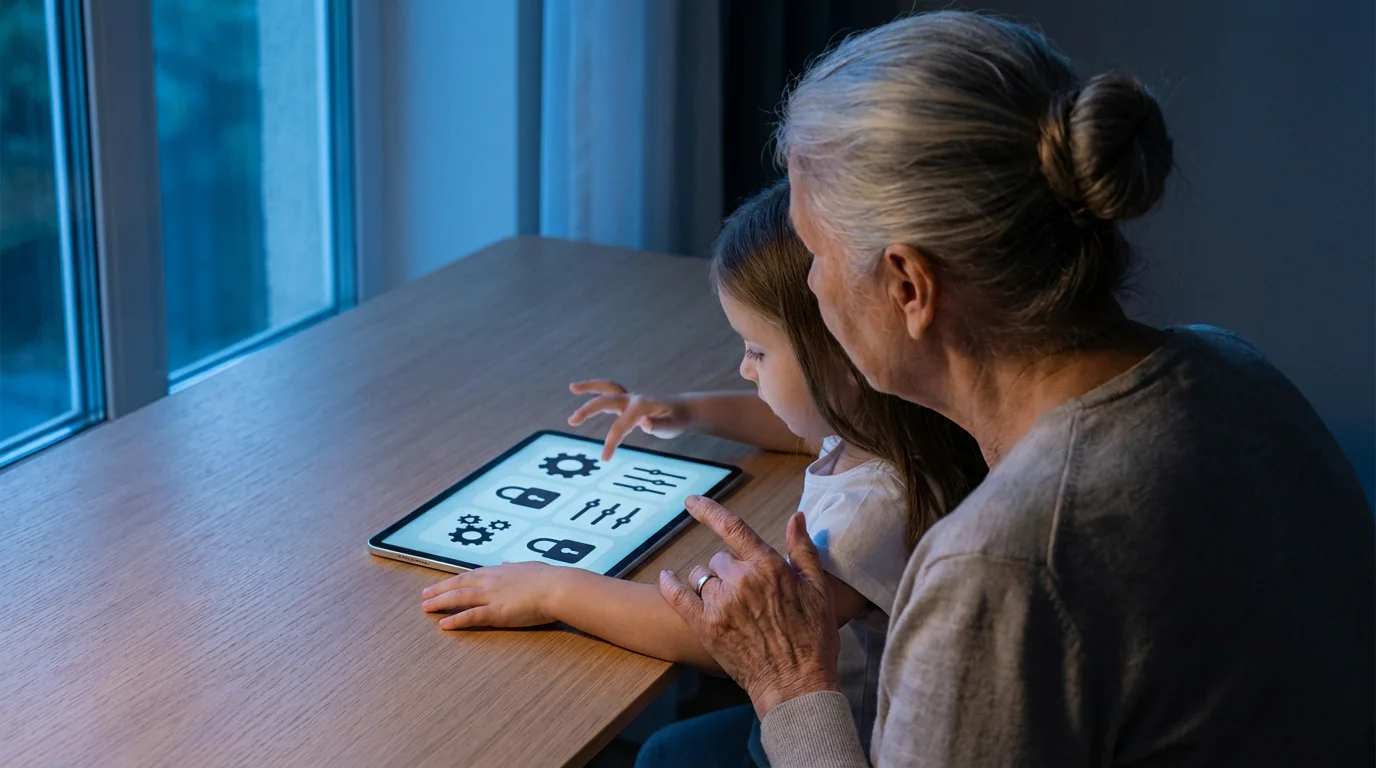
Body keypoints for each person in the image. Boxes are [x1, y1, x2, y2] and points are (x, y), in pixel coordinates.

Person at [654, 10, 1376, 767]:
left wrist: (789, 681)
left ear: (908, 285)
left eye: (812, 251)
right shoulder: (1231, 367)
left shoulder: (998, 570)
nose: (808, 284)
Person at [419, 183, 986, 766]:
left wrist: (553, 588)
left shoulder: (874, 510)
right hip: (815, 712)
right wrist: (686, 410)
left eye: (757, 352)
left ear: (843, 355)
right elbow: (808, 425)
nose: (744, 368)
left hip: (828, 735)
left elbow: (727, 638)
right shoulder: (910, 428)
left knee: (663, 757)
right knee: (666, 749)